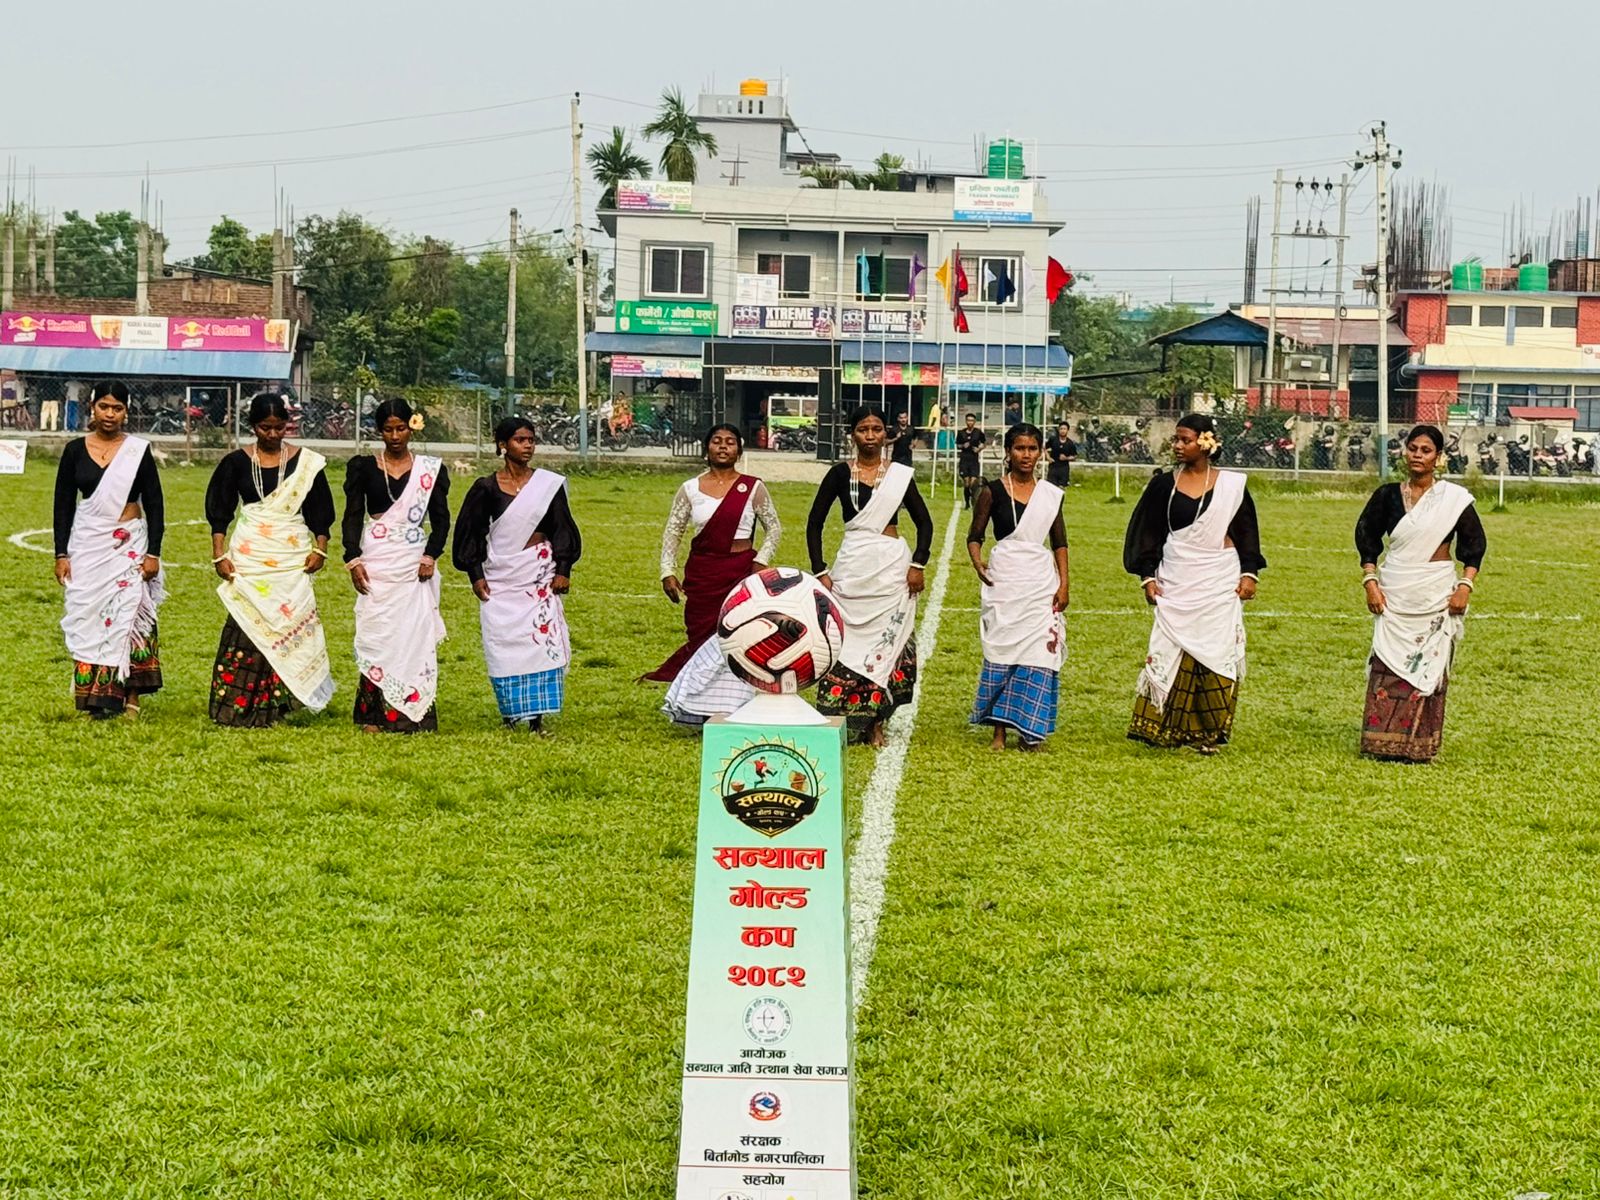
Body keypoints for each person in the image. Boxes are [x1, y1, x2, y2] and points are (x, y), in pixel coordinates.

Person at [1123, 413, 1264, 753]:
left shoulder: (1232, 486)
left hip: (1218, 578)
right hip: (1177, 577)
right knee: (1171, 649)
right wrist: (1148, 577)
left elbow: (1246, 532)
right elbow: (1148, 533)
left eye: (1185, 440)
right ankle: (1163, 727)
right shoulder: (1163, 485)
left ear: (1206, 442)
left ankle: (1208, 733)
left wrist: (1249, 573)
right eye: (1176, 439)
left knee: (1215, 652)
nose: (1178, 446)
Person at [205, 393, 337, 726]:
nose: (274, 435)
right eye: (266, 427)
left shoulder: (305, 463)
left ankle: (278, 704)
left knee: (288, 622)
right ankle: (235, 703)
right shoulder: (236, 462)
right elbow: (220, 510)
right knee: (246, 624)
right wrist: (219, 553)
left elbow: (320, 510)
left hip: (290, 557)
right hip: (250, 556)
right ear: (253, 427)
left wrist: (319, 548)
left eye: (280, 427)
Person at [1356, 424, 1485, 762]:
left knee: (1428, 665)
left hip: (1435, 592)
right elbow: (1367, 540)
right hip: (1395, 592)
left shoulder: (1454, 500)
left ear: (1438, 458)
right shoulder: (1386, 495)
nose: (1417, 455)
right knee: (1388, 666)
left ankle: (1418, 744)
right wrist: (1371, 583)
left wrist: (1465, 586)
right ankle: (1381, 741)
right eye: (1412, 448)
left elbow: (1474, 545)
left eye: (1425, 450)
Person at [807, 405, 934, 747]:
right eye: (863, 429)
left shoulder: (899, 475)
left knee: (887, 645)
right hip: (852, 568)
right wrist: (820, 571)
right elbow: (814, 522)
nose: (870, 435)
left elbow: (925, 523)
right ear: (853, 434)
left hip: (891, 569)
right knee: (846, 642)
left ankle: (877, 722)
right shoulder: (838, 473)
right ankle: (844, 718)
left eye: (877, 429)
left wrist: (917, 565)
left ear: (886, 434)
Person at [646, 423, 782, 725]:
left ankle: (737, 704)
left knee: (738, 637)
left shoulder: (753, 487)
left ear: (739, 449)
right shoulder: (690, 488)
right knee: (702, 640)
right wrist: (667, 571)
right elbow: (673, 532)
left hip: (740, 574)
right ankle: (697, 706)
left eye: (730, 442)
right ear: (707, 448)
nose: (723, 447)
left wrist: (761, 561)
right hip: (703, 574)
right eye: (717, 441)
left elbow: (773, 528)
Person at [453, 416, 582, 733]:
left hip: (537, 576)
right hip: (501, 578)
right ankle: (511, 714)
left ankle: (536, 719)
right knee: (505, 644)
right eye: (520, 440)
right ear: (502, 444)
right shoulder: (485, 488)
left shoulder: (547, 486)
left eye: (531, 440)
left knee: (539, 643)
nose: (527, 446)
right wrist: (475, 574)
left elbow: (562, 527)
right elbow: (471, 533)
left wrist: (563, 568)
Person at [52, 381, 165, 718]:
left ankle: (131, 695)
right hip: (89, 544)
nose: (110, 414)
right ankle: (95, 695)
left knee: (129, 611)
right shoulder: (74, 450)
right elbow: (63, 505)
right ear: (92, 407)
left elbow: (155, 503)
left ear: (126, 411)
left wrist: (153, 552)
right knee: (90, 614)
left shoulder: (137, 451)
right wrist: (61, 554)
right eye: (104, 406)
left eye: (117, 408)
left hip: (128, 544)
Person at [342, 398, 450, 732]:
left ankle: (411, 712)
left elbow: (442, 520)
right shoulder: (362, 467)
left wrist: (430, 555)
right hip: (376, 560)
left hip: (412, 563)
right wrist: (352, 557)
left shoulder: (430, 471)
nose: (394, 436)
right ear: (379, 431)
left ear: (411, 427)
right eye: (387, 429)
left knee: (412, 635)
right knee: (377, 633)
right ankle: (372, 715)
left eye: (400, 428)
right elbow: (352, 515)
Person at [967, 423, 1069, 751]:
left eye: (1032, 449)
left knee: (1039, 652)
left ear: (1041, 453)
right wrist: (978, 563)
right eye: (1019, 449)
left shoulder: (1050, 495)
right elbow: (975, 535)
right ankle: (999, 732)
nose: (1026, 455)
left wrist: (1064, 583)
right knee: (1004, 651)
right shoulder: (992, 491)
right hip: (1006, 581)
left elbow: (1060, 542)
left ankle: (1030, 731)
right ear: (1008, 452)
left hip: (1040, 582)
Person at [955, 412, 987, 509]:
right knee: (967, 483)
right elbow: (957, 445)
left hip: (974, 460)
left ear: (975, 422)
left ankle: (974, 502)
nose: (970, 422)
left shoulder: (978, 432)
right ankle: (967, 502)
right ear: (966, 421)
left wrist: (979, 449)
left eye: (972, 420)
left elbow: (984, 443)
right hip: (964, 459)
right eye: (968, 420)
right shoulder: (961, 433)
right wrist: (962, 446)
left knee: (973, 483)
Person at [1044, 421, 1078, 488]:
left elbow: (1074, 456)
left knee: (1061, 488)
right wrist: (1048, 457)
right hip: (1053, 467)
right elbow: (1044, 448)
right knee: (1051, 487)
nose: (1062, 431)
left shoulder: (1070, 443)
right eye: (1061, 429)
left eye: (1064, 429)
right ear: (1058, 430)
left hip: (1063, 468)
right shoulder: (1053, 440)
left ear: (1067, 430)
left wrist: (1066, 458)